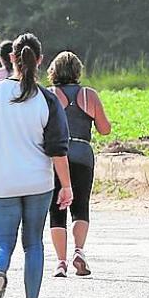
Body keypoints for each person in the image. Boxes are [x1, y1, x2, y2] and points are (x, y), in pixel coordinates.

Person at [0, 33, 73, 298]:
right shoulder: (47, 99)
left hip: (0, 181)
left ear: (10, 58)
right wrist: (66, 185)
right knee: (33, 243)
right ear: (39, 60)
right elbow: (57, 149)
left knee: (1, 240)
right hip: (38, 182)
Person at [46, 51, 112, 278]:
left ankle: (61, 262)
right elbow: (104, 129)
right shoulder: (89, 95)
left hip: (56, 156)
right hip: (83, 155)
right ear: (77, 71)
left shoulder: (50, 95)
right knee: (80, 206)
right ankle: (79, 251)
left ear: (53, 71)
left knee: (56, 209)